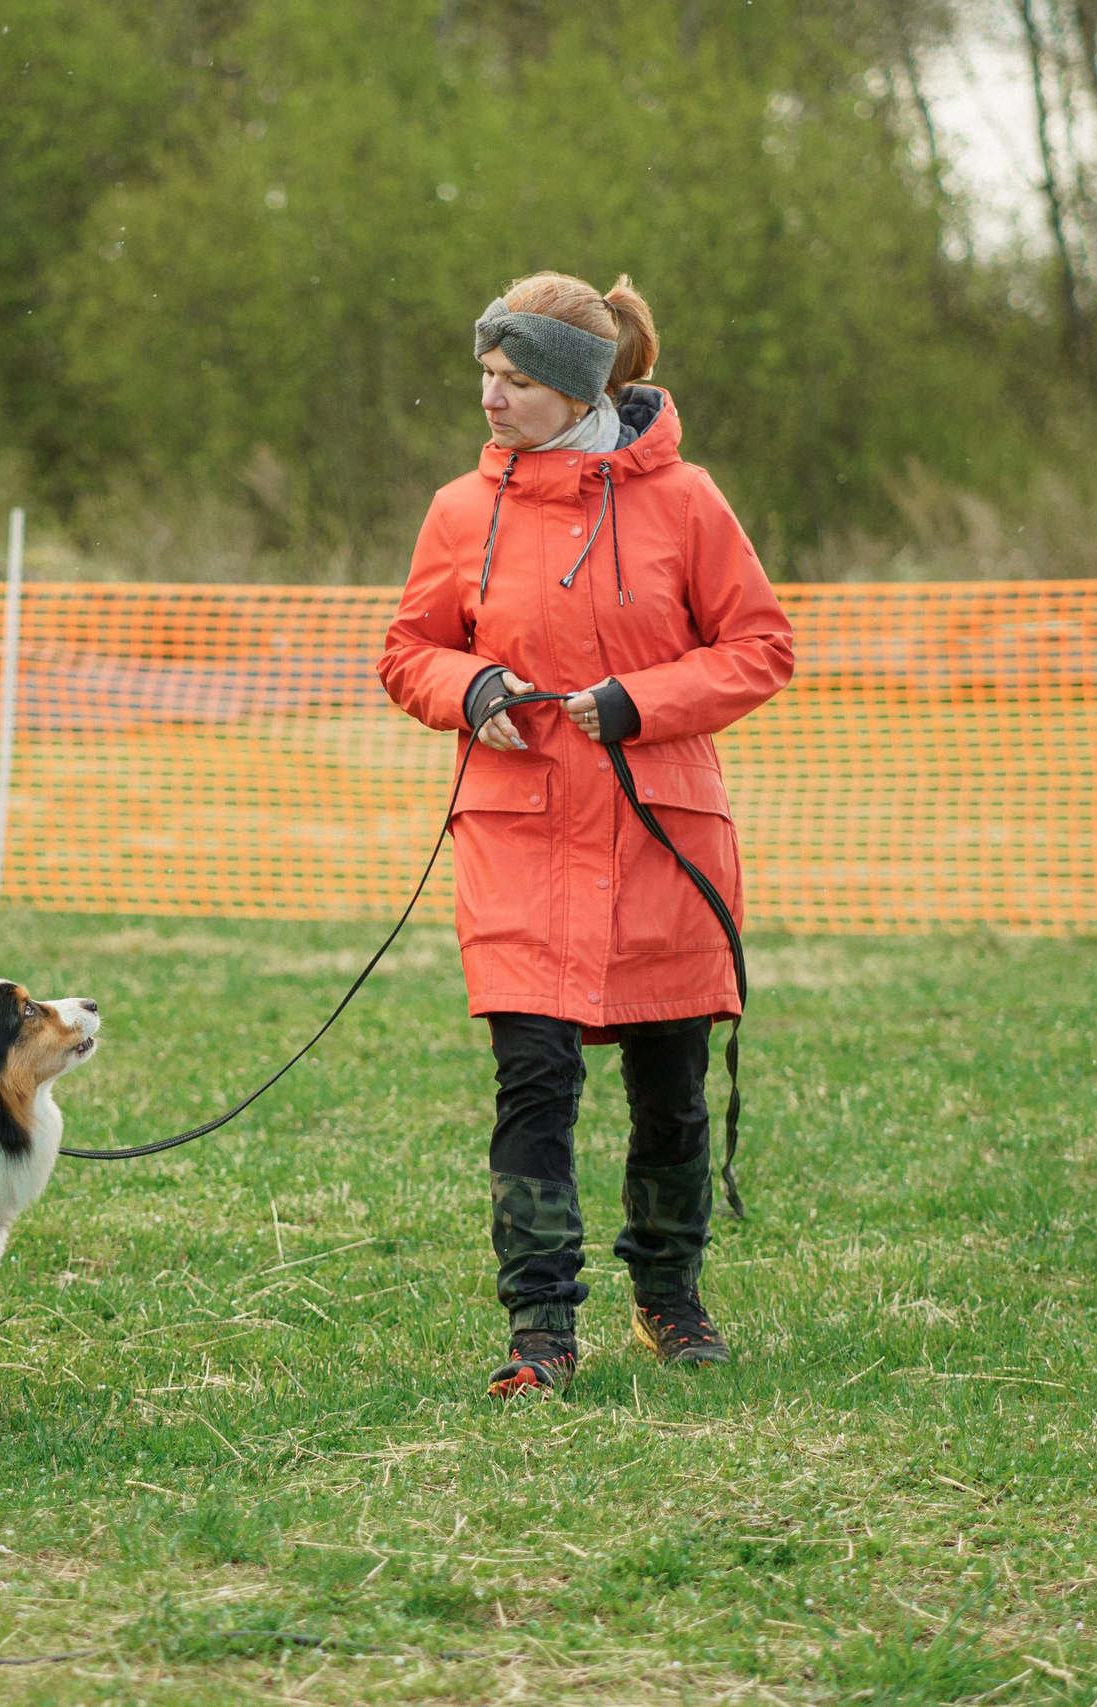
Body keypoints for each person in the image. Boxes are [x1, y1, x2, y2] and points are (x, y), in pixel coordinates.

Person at [378, 274, 795, 1396]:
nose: (490, 398)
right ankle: (541, 1329)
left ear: (574, 389)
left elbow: (759, 647)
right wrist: (472, 690)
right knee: (534, 1083)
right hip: (517, 836)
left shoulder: (688, 501)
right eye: (485, 376)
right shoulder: (459, 510)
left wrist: (639, 703)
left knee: (670, 1091)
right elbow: (407, 650)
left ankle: (670, 1300)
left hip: (662, 839)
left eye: (514, 380)